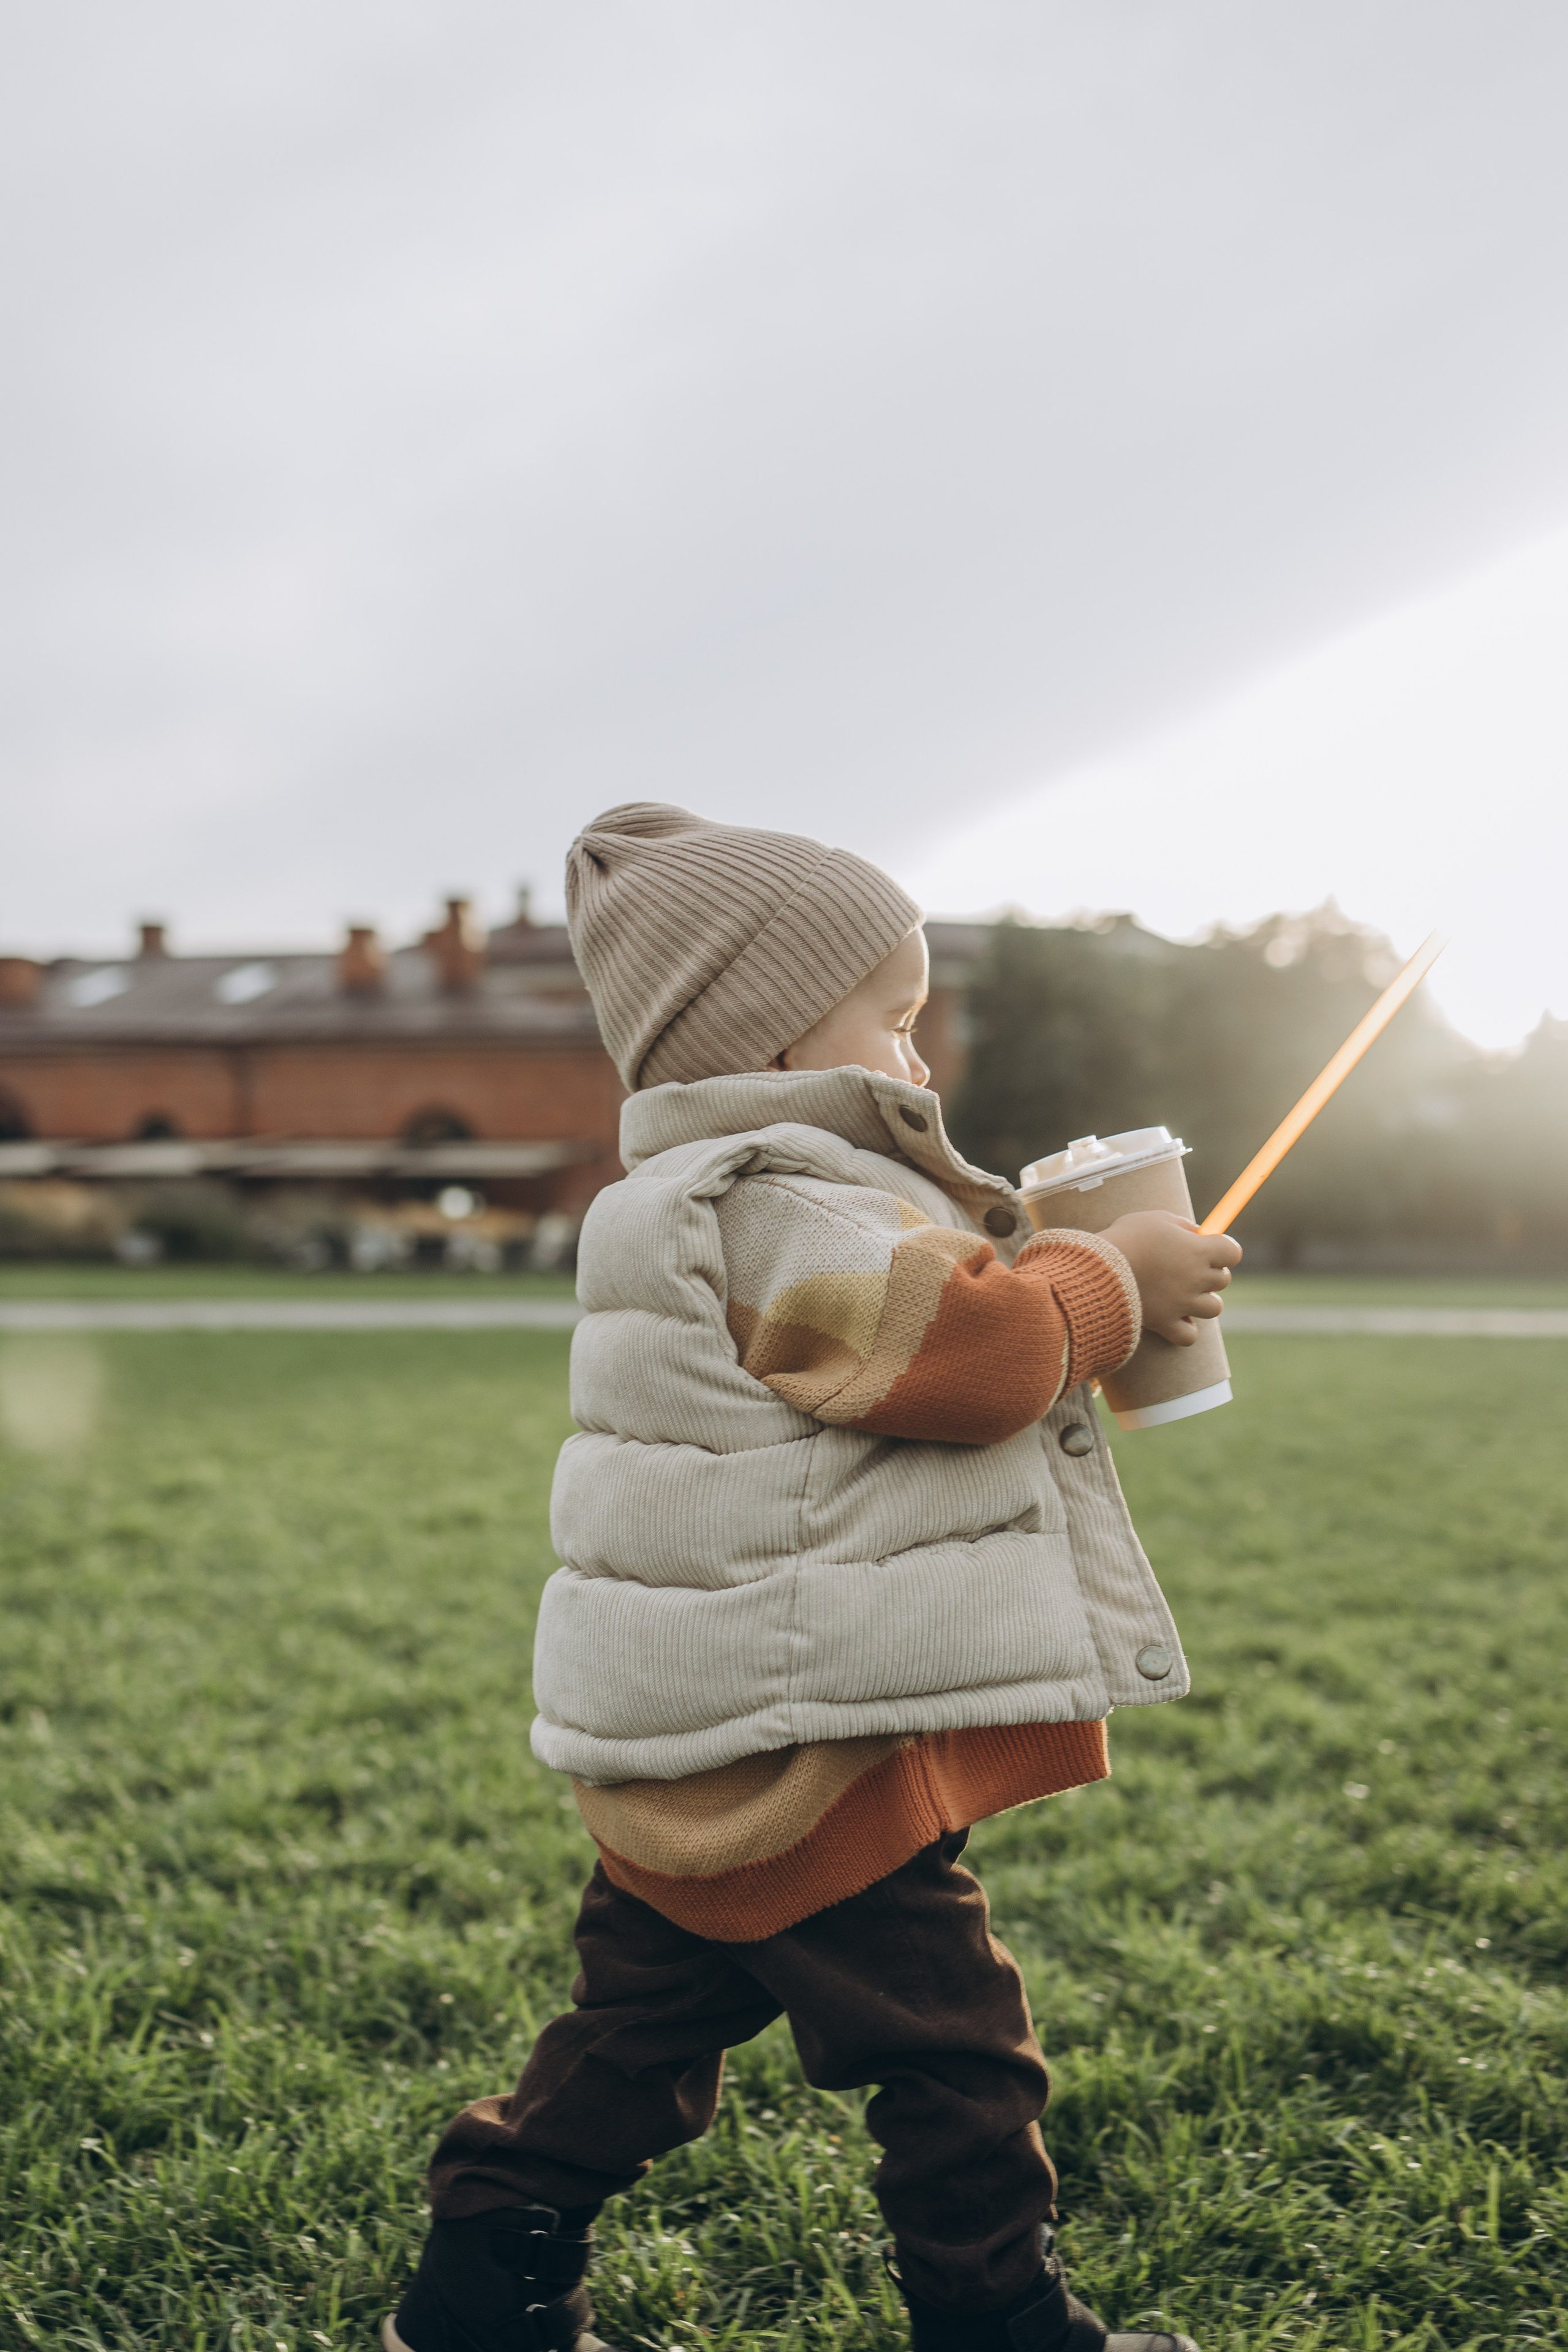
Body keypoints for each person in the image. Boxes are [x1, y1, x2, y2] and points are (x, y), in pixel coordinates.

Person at [386, 804, 1240, 2352]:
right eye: (896, 1020)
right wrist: (1111, 1277)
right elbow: (960, 1354)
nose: (919, 1062)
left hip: (714, 1729)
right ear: (774, 1030)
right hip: (804, 1741)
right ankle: (1002, 2329)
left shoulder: (720, 1194)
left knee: (635, 2042)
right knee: (959, 2057)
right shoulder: (769, 1199)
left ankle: (473, 2297)